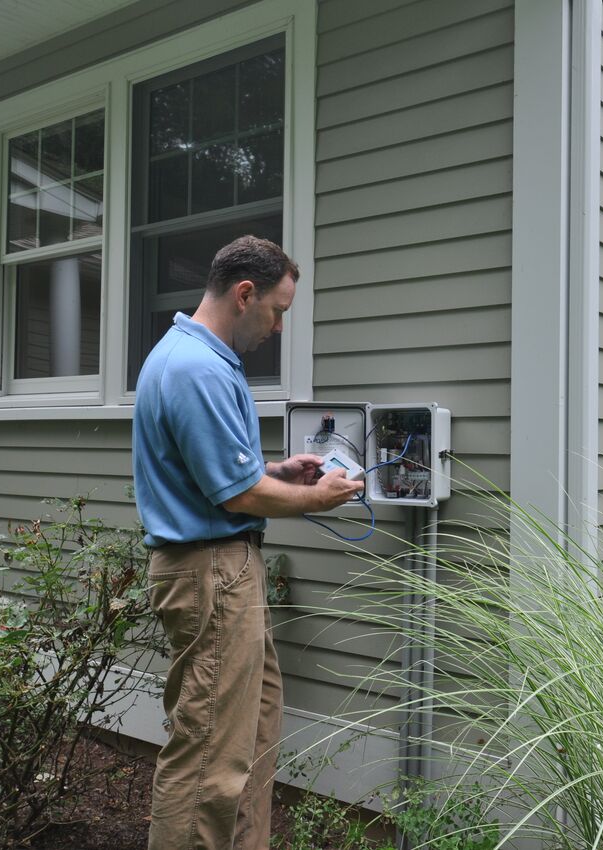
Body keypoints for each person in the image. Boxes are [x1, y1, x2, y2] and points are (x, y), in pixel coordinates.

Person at [132, 235, 364, 850]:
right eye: (277, 310)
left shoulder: (192, 357)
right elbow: (237, 497)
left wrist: (278, 475)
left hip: (224, 570)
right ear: (244, 294)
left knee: (250, 736)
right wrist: (316, 497)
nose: (279, 326)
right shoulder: (195, 368)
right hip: (212, 572)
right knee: (208, 752)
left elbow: (222, 478)